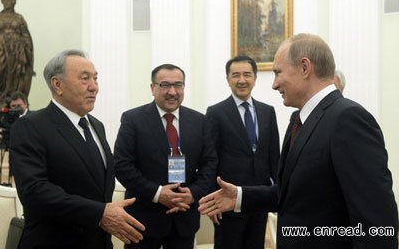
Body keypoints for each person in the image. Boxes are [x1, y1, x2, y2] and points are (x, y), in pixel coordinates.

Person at [199, 33, 398, 248]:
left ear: (305, 68)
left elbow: (377, 220)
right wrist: (240, 196)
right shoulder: (299, 118)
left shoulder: (348, 118)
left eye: (278, 73)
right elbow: (293, 194)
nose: (274, 84)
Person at [10, 49, 145, 249]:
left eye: (95, 78)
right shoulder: (31, 126)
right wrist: (99, 213)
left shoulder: (96, 126)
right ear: (57, 85)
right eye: (85, 79)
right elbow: (34, 191)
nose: (94, 87)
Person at [114, 63, 218, 249]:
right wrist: (158, 193)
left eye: (178, 85)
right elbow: (122, 166)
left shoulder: (200, 121)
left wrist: (193, 193)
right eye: (165, 85)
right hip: (143, 221)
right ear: (152, 88)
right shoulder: (132, 119)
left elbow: (209, 163)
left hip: (184, 220)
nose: (172, 91)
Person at [205, 55, 280, 249]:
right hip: (227, 202)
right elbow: (210, 159)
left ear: (255, 78)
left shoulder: (268, 112)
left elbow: (274, 157)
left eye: (247, 74)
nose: (241, 80)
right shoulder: (216, 112)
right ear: (228, 79)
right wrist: (212, 200)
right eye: (235, 75)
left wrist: (278, 192)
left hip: (259, 201)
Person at [0, 0, 34, 102]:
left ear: (14, 2)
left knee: (16, 73)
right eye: (6, 1)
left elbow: (26, 35)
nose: (8, 3)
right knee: (1, 70)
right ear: (2, 2)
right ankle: (1, 96)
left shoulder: (19, 18)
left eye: (10, 1)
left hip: (17, 51)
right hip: (1, 49)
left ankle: (13, 97)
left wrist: (28, 57)